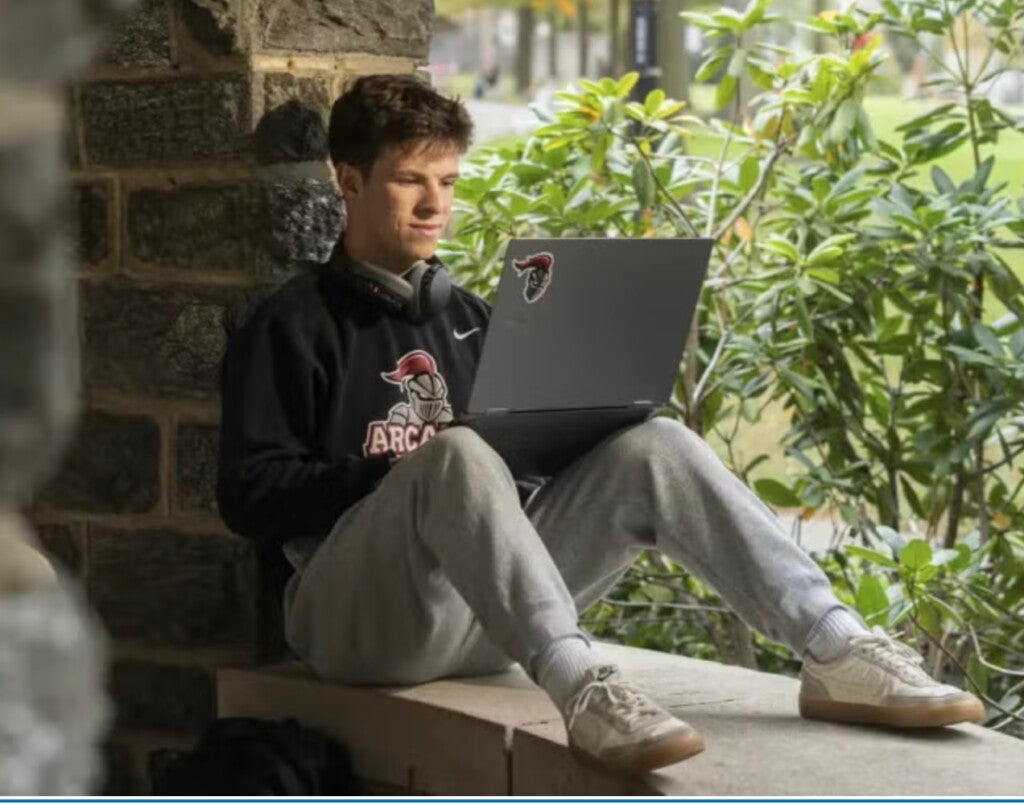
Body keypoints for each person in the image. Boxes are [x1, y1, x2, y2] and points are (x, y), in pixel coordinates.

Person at [216, 74, 984, 775]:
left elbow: (517, 470)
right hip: (359, 627)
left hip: (486, 612)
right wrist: (411, 475)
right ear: (347, 181)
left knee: (659, 444)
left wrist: (584, 421)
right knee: (456, 454)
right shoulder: (292, 325)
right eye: (410, 181)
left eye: (448, 182)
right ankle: (581, 688)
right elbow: (249, 496)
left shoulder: (474, 320)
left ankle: (831, 643)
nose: (435, 205)